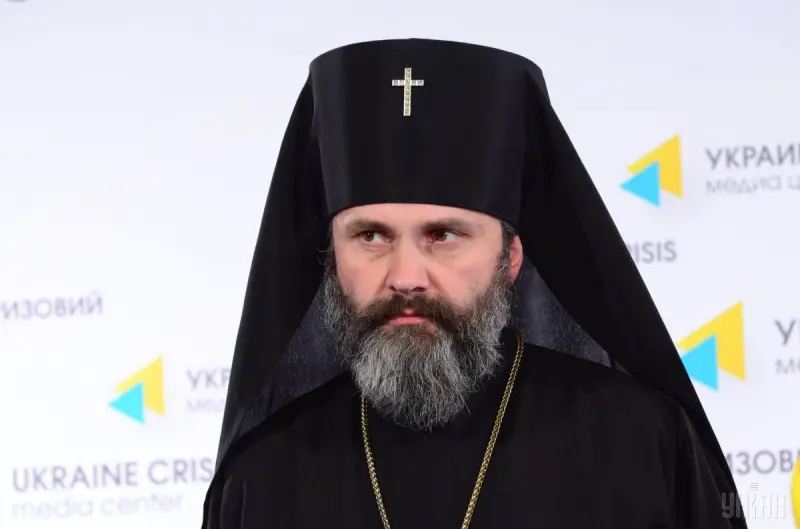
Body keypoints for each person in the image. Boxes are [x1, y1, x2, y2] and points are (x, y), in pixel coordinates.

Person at [202, 38, 747, 528]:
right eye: (371, 236)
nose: (406, 277)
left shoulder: (643, 445)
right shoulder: (261, 479)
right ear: (331, 258)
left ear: (510, 259)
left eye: (443, 236)